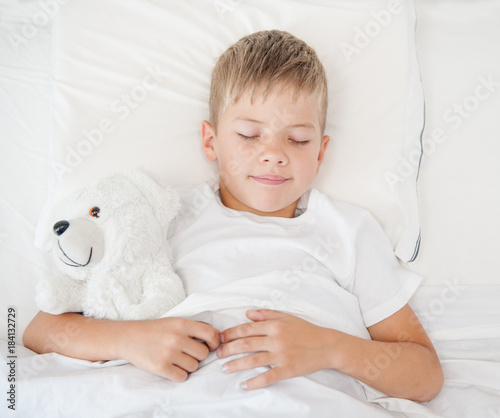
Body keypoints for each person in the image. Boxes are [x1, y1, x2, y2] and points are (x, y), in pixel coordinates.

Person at [23, 29, 443, 402]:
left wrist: (330, 348)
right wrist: (130, 339)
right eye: (248, 134)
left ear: (321, 153)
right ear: (211, 141)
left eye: (297, 139)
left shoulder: (349, 231)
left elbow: (424, 375)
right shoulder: (162, 214)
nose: (273, 154)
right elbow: (39, 331)